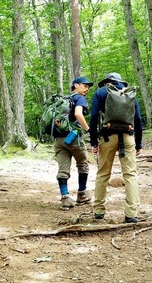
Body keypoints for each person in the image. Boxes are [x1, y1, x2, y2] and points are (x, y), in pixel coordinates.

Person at [89, 72, 143, 223]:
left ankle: (99, 211)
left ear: (106, 82)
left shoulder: (100, 92)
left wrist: (93, 141)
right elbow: (137, 119)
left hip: (107, 136)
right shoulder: (129, 92)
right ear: (120, 82)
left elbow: (93, 117)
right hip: (127, 136)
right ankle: (131, 213)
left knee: (103, 174)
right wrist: (139, 143)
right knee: (130, 174)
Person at [55, 76, 94, 209]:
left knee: (63, 169)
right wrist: (88, 129)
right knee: (82, 164)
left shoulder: (63, 100)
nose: (87, 89)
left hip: (59, 140)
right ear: (76, 85)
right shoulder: (79, 98)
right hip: (73, 138)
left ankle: (65, 198)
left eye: (88, 87)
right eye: (85, 85)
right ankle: (82, 194)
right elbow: (78, 114)